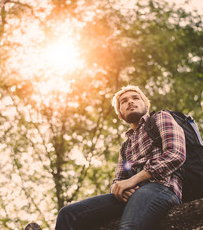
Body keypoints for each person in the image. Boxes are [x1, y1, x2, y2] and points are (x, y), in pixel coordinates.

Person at [26, 85, 186, 230]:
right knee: (68, 214)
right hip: (132, 196)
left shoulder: (160, 118)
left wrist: (133, 180)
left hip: (162, 188)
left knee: (127, 227)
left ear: (146, 105)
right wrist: (119, 190)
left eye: (135, 98)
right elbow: (117, 180)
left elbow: (176, 154)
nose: (130, 102)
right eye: (124, 101)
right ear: (120, 114)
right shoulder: (126, 146)